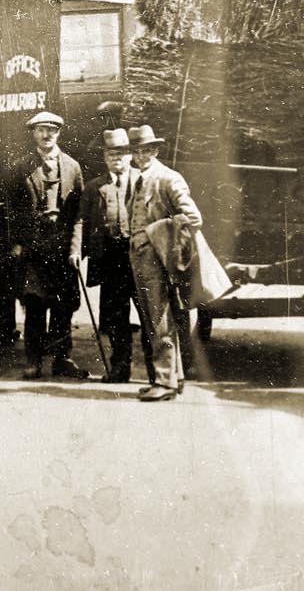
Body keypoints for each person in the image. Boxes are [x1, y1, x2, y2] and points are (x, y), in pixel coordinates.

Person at [9, 110, 87, 381]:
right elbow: (12, 210)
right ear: (33, 134)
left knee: (63, 306)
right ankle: (33, 360)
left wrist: (76, 249)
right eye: (41, 130)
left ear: (59, 133)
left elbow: (79, 214)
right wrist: (17, 242)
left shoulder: (73, 167)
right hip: (33, 249)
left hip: (62, 250)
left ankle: (62, 358)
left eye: (52, 130)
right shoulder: (20, 166)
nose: (46, 135)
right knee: (34, 305)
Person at [126, 125, 202, 402]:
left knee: (160, 319)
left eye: (146, 150)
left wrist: (157, 234)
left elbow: (193, 218)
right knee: (150, 318)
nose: (141, 155)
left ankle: (165, 381)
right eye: (136, 151)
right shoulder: (140, 178)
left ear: (156, 150)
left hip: (156, 258)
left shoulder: (167, 178)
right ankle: (173, 376)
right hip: (140, 257)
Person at [82, 127, 147, 385]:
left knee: (148, 314)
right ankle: (120, 368)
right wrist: (78, 251)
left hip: (140, 256)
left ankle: (157, 371)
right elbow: (81, 221)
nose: (116, 158)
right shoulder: (95, 186)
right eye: (111, 154)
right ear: (105, 157)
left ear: (130, 155)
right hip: (111, 259)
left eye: (121, 153)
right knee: (116, 317)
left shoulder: (144, 180)